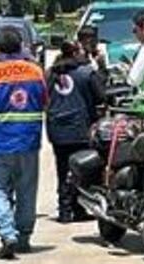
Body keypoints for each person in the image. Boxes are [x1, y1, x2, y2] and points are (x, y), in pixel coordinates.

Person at [0, 28, 48, 260]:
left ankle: (7, 234)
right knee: (26, 190)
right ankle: (24, 237)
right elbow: (45, 102)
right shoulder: (35, 71)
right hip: (28, 141)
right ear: (20, 46)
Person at [45, 40, 105, 222]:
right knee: (85, 168)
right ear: (77, 53)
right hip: (81, 127)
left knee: (63, 169)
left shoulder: (49, 74)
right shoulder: (86, 72)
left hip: (57, 128)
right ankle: (79, 208)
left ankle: (65, 210)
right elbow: (101, 96)